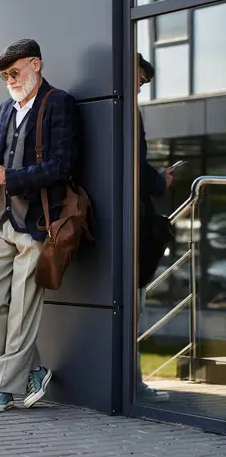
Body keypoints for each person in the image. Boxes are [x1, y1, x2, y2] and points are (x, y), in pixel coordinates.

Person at [0, 39, 80, 412]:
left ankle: (2, 389)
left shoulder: (59, 103)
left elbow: (62, 165)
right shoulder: (5, 110)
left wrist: (9, 176)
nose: (10, 80)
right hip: (0, 220)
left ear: (36, 64)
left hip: (37, 223)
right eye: (5, 76)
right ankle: (32, 370)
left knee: (22, 309)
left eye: (14, 72)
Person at [137, 52, 173, 402]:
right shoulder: (124, 110)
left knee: (135, 302)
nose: (141, 84)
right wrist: (160, 181)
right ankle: (131, 385)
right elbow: (133, 162)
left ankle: (132, 383)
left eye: (146, 81)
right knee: (133, 302)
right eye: (140, 77)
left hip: (130, 216)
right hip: (131, 219)